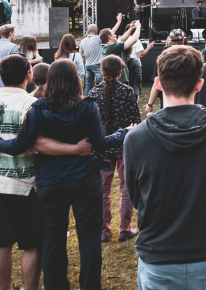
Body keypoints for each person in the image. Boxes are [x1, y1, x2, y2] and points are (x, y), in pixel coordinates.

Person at [0, 59, 129, 289]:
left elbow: (19, 145)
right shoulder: (87, 106)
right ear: (75, 79)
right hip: (85, 181)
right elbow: (100, 143)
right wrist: (123, 132)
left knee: (53, 240)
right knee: (89, 239)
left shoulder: (39, 108)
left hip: (51, 183)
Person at [124, 46, 206, 289]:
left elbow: (137, 198)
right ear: (199, 84)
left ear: (157, 83)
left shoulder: (136, 139)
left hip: (160, 258)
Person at [89, 55, 142, 243]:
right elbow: (136, 121)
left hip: (102, 146)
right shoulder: (127, 92)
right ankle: (124, 229)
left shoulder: (93, 93)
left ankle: (104, 231)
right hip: (125, 145)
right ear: (121, 71)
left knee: (103, 191)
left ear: (101, 70)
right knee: (126, 188)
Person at [144, 29, 186, 114]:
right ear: (183, 41)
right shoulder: (190, 58)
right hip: (186, 102)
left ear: (169, 40)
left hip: (167, 102)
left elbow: (156, 84)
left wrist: (150, 105)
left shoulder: (163, 59)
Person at [100, 18, 142, 84]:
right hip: (120, 80)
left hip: (117, 79)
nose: (116, 35)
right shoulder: (113, 47)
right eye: (113, 34)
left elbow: (121, 39)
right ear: (110, 37)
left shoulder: (108, 47)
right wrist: (138, 27)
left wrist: (131, 28)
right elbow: (134, 39)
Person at [124, 23, 155, 101]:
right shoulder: (136, 41)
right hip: (133, 65)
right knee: (134, 84)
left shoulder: (122, 39)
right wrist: (148, 48)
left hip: (123, 63)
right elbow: (140, 55)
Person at [80, 22, 106, 95]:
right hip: (97, 64)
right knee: (102, 83)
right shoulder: (98, 38)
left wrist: (88, 52)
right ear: (95, 30)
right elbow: (110, 33)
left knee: (88, 84)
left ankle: (87, 99)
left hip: (88, 65)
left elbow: (81, 54)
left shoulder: (83, 41)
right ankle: (103, 97)